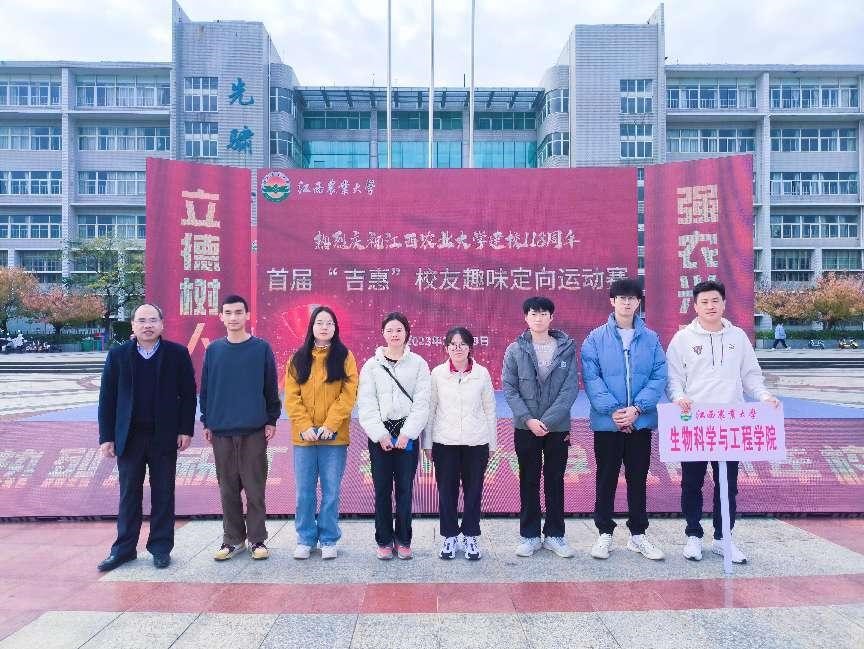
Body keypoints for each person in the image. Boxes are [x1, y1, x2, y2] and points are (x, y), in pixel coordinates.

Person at [666, 280, 781, 564]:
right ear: (695, 306)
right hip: (695, 423)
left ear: (724, 303)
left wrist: (764, 396)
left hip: (730, 424)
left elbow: (751, 375)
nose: (710, 306)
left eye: (715, 300)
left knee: (727, 485)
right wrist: (679, 397)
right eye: (704, 302)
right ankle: (693, 535)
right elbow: (673, 378)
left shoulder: (738, 337)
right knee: (691, 483)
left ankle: (723, 538)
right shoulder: (682, 339)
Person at [97, 303, 196, 571]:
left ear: (162, 324)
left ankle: (160, 548)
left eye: (152, 320)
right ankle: (124, 549)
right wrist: (106, 437)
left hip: (164, 435)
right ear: (133, 325)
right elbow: (107, 398)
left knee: (163, 493)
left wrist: (185, 430)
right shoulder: (118, 355)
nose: (147, 325)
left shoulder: (177, 354)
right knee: (129, 493)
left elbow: (188, 395)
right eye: (141, 320)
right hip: (129, 436)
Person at [581, 278, 667, 561]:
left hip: (640, 423)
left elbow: (659, 376)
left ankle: (638, 535)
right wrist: (615, 412)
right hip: (608, 424)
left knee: (638, 479)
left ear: (638, 302)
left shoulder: (651, 339)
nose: (627, 302)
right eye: (622, 298)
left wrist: (637, 409)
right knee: (606, 478)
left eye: (632, 298)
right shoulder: (595, 339)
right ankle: (604, 533)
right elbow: (592, 378)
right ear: (612, 301)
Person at [200, 295, 281, 561]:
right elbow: (206, 389)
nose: (233, 317)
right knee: (228, 490)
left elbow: (270, 387)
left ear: (247, 315)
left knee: (255, 489)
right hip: (221, 431)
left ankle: (257, 540)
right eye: (228, 312)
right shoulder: (213, 350)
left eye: (238, 312)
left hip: (254, 430)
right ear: (221, 317)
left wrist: (271, 419)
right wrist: (207, 421)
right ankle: (233, 540)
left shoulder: (261, 348)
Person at [502, 296, 579, 558]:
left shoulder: (566, 349)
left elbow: (570, 389)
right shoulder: (515, 350)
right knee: (529, 480)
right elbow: (510, 389)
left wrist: (548, 421)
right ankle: (530, 536)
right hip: (526, 427)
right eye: (533, 314)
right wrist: (529, 419)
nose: (538, 318)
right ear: (526, 318)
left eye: (543, 314)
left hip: (558, 428)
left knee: (555, 480)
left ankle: (555, 535)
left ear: (551, 318)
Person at [283, 306, 358, 560]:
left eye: (329, 323)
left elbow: (348, 395)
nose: (324, 327)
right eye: (319, 322)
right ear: (312, 327)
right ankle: (305, 538)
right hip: (304, 438)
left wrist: (330, 425)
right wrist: (305, 427)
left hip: (333, 438)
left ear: (335, 328)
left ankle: (328, 538)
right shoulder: (298, 358)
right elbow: (291, 397)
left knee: (331, 491)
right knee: (304, 492)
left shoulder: (345, 357)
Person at [358, 312, 431, 560]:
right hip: (380, 437)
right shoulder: (371, 366)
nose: (394, 334)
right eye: (389, 330)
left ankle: (403, 540)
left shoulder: (419, 364)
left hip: (407, 436)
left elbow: (422, 403)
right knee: (381, 491)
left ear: (407, 332)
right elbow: (366, 404)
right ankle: (383, 541)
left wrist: (407, 434)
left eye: (399, 329)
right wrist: (380, 435)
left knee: (404, 491)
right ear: (383, 333)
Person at [423, 326, 497, 561]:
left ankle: (471, 536)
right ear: (446, 348)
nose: (458, 348)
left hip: (477, 442)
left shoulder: (482, 374)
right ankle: (449, 536)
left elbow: (490, 409)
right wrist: (427, 442)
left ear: (470, 347)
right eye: (453, 344)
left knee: (474, 492)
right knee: (447, 493)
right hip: (444, 442)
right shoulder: (437, 374)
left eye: (462, 344)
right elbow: (431, 409)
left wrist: (492, 444)